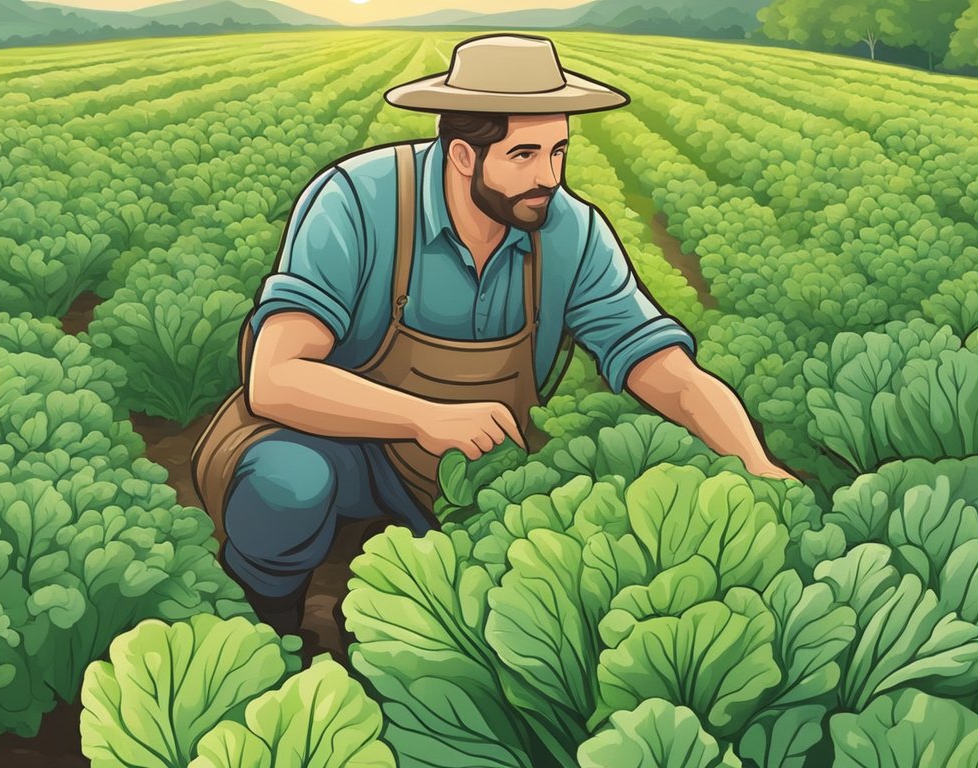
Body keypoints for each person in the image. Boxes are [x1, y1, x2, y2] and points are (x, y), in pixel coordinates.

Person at [207, 33, 797, 645]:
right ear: (464, 154)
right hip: (336, 440)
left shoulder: (569, 230)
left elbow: (660, 365)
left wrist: (756, 464)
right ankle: (264, 623)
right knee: (288, 483)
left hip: (470, 462)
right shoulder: (358, 200)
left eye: (559, 152)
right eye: (525, 154)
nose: (548, 176)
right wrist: (422, 417)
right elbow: (275, 379)